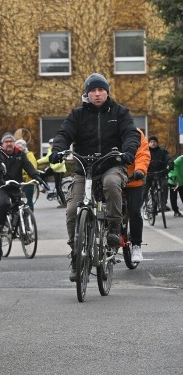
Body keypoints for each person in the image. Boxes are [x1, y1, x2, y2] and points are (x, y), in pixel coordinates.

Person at [48, 73, 139, 282]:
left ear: (107, 92)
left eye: (101, 90)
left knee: (112, 183)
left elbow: (130, 134)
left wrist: (128, 152)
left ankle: (114, 227)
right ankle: (76, 253)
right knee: (72, 209)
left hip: (111, 165)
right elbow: (64, 134)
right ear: (87, 94)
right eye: (93, 91)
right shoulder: (77, 115)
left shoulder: (120, 112)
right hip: (83, 168)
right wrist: (58, 149)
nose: (97, 94)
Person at [0, 133, 45, 230]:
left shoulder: (21, 154)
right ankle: (0, 225)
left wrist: (36, 176)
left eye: (11, 141)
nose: (9, 144)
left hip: (16, 185)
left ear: (14, 143)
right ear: (2, 144)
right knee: (3, 203)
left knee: (21, 207)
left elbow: (28, 166)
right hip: (2, 186)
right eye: (6, 142)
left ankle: (26, 230)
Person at [124, 129, 150, 263]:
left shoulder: (136, 132)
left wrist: (139, 170)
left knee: (134, 211)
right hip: (113, 178)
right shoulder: (107, 128)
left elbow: (143, 154)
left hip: (134, 179)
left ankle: (136, 245)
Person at [147, 135, 173, 213]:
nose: (153, 143)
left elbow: (168, 158)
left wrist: (170, 164)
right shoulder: (145, 151)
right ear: (148, 143)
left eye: (154, 141)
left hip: (161, 173)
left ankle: (163, 204)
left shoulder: (163, 151)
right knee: (144, 190)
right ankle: (146, 206)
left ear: (157, 143)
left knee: (165, 185)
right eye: (151, 142)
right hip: (149, 174)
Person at [15, 138, 40, 211]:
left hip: (28, 181)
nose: (19, 148)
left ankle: (30, 215)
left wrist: (23, 173)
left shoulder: (29, 155)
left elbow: (32, 166)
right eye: (17, 147)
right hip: (19, 181)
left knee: (28, 200)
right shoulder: (16, 155)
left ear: (24, 147)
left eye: (20, 147)